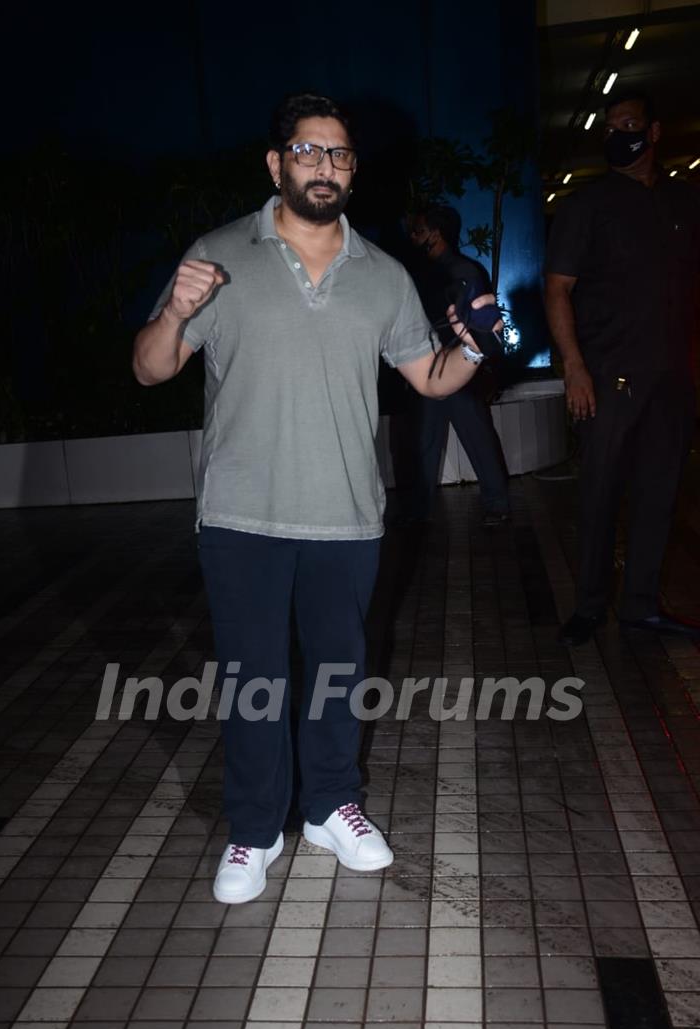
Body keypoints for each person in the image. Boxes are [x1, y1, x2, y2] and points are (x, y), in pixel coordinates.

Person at [132, 93, 500, 904]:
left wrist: (474, 344)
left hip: (345, 513)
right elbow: (151, 368)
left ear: (353, 170)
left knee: (338, 673)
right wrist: (176, 309)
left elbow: (429, 377)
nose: (323, 167)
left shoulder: (384, 276)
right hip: (241, 515)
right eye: (306, 152)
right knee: (253, 680)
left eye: (337, 155)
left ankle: (333, 806)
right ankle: (255, 830)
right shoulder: (220, 255)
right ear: (277, 164)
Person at [545, 90, 700, 647]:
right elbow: (558, 291)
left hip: (671, 380)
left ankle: (639, 605)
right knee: (600, 492)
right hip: (609, 377)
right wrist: (574, 368)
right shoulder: (587, 207)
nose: (618, 135)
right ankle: (589, 605)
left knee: (659, 492)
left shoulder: (685, 203)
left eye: (630, 125)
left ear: (654, 133)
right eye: (610, 128)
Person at [404, 205, 510, 527]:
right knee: (426, 444)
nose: (413, 236)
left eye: (419, 231)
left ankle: (496, 504)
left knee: (475, 438)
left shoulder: (462, 271)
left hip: (459, 370)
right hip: (430, 369)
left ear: (435, 234)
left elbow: (481, 327)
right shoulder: (428, 273)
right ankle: (420, 512)